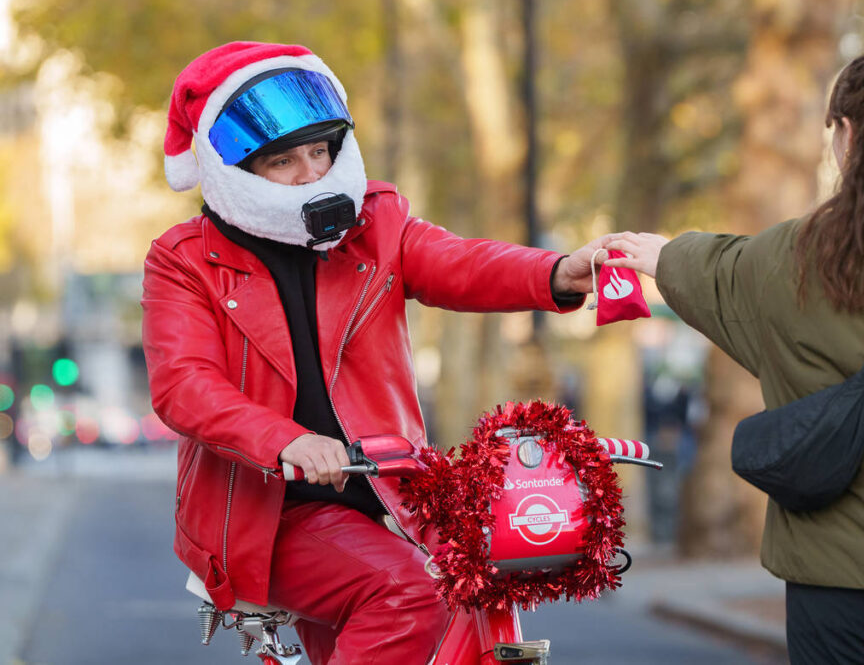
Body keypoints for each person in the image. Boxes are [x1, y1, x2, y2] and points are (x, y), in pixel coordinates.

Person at [141, 41, 600, 665]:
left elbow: (458, 263)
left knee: (481, 590)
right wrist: (284, 440)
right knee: (412, 594)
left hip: (392, 492)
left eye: (320, 151)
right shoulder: (184, 260)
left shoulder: (375, 223)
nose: (312, 174)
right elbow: (183, 385)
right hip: (270, 515)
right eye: (283, 161)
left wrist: (558, 272)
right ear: (236, 169)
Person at [602, 46, 864, 663]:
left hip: (834, 586)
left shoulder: (788, 262)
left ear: (847, 135)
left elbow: (713, 273)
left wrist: (656, 255)